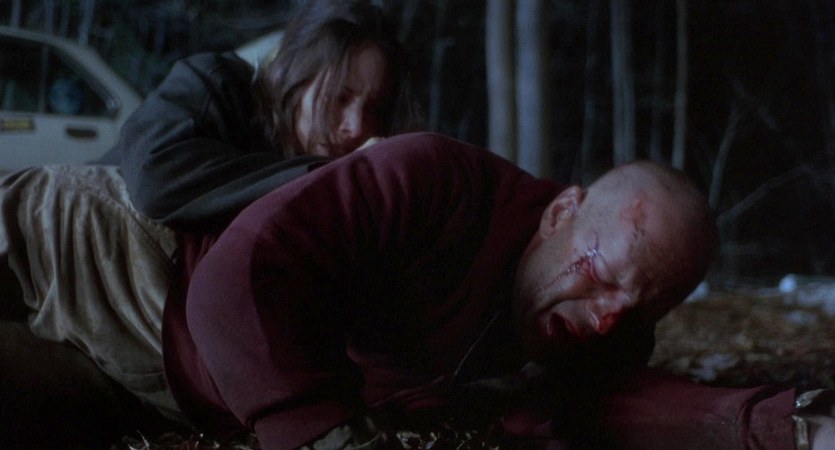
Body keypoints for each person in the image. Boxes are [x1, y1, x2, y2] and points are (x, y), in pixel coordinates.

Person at [173, 131, 833, 450]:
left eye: (638, 309)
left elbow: (607, 405)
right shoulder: (431, 181)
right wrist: (328, 436)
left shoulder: (604, 328)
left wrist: (795, 426)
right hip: (143, 281)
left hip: (198, 390)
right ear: (560, 212)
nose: (607, 319)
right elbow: (235, 281)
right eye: (601, 275)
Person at [0, 0, 420, 447]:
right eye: (340, 97)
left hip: (124, 354)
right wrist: (322, 178)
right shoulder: (218, 83)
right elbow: (157, 179)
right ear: (298, 75)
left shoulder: (336, 214)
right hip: (65, 258)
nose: (355, 126)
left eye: (373, 109)